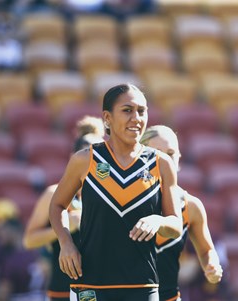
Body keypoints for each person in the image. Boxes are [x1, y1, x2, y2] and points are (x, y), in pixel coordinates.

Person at [49, 84, 183, 301]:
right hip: (89, 287)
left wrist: (157, 221)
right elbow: (57, 205)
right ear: (107, 118)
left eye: (142, 111)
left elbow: (176, 226)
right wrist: (66, 243)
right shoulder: (85, 160)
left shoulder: (162, 163)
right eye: (127, 110)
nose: (136, 118)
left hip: (143, 286)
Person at [23, 116, 105, 301]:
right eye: (88, 155)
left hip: (102, 290)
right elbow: (29, 240)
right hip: (63, 291)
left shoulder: (110, 196)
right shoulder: (55, 194)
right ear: (74, 157)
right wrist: (65, 228)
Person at [140, 125, 223, 301]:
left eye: (170, 153)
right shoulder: (121, 201)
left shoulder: (191, 206)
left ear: (178, 159)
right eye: (155, 152)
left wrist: (211, 265)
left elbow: (207, 250)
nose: (163, 159)